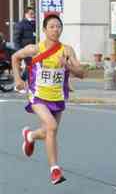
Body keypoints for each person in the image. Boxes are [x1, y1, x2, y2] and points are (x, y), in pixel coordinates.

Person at [12, 14, 86, 185]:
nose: (56, 29)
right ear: (44, 30)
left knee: (48, 132)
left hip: (57, 97)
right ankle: (55, 170)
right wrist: (17, 79)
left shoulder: (67, 50)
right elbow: (15, 57)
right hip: (38, 95)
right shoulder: (35, 49)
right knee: (51, 127)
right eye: (51, 26)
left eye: (58, 26)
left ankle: (30, 135)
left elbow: (81, 73)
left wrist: (67, 65)